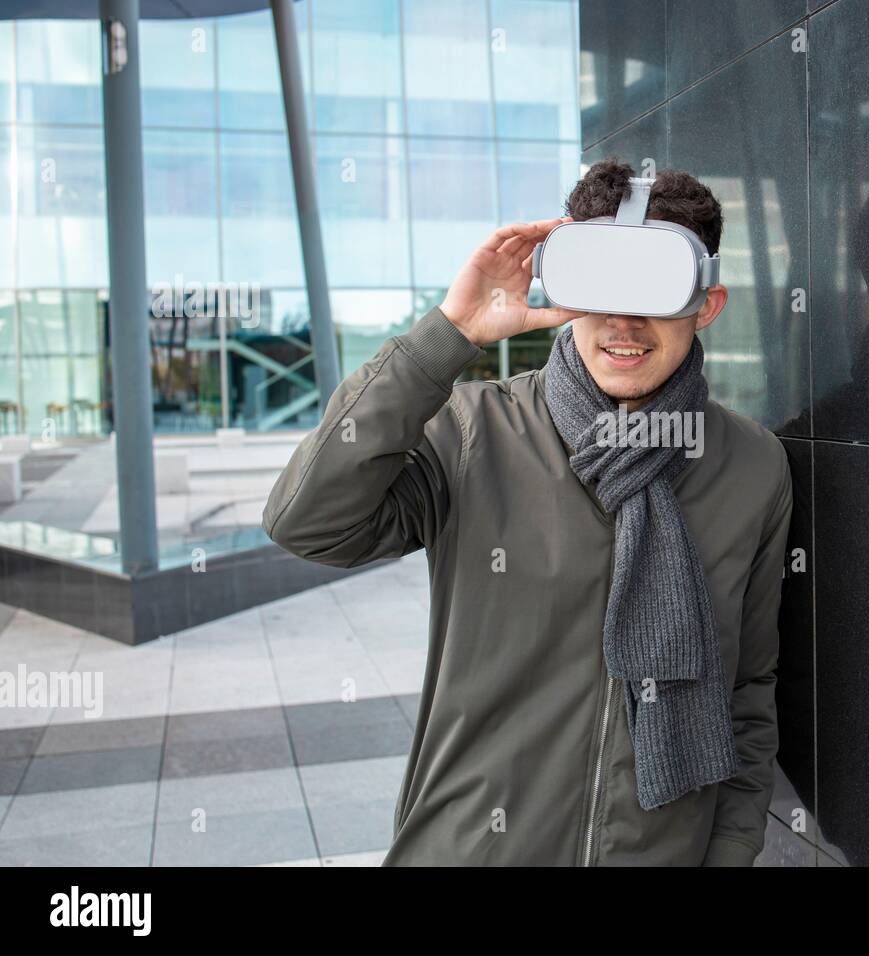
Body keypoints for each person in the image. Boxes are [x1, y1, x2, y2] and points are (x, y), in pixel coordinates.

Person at [262, 159, 793, 866]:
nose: (623, 321)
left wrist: (726, 854)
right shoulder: (472, 429)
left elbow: (748, 691)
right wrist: (446, 336)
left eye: (654, 291)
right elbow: (307, 522)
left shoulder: (753, 465)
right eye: (600, 285)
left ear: (707, 304)